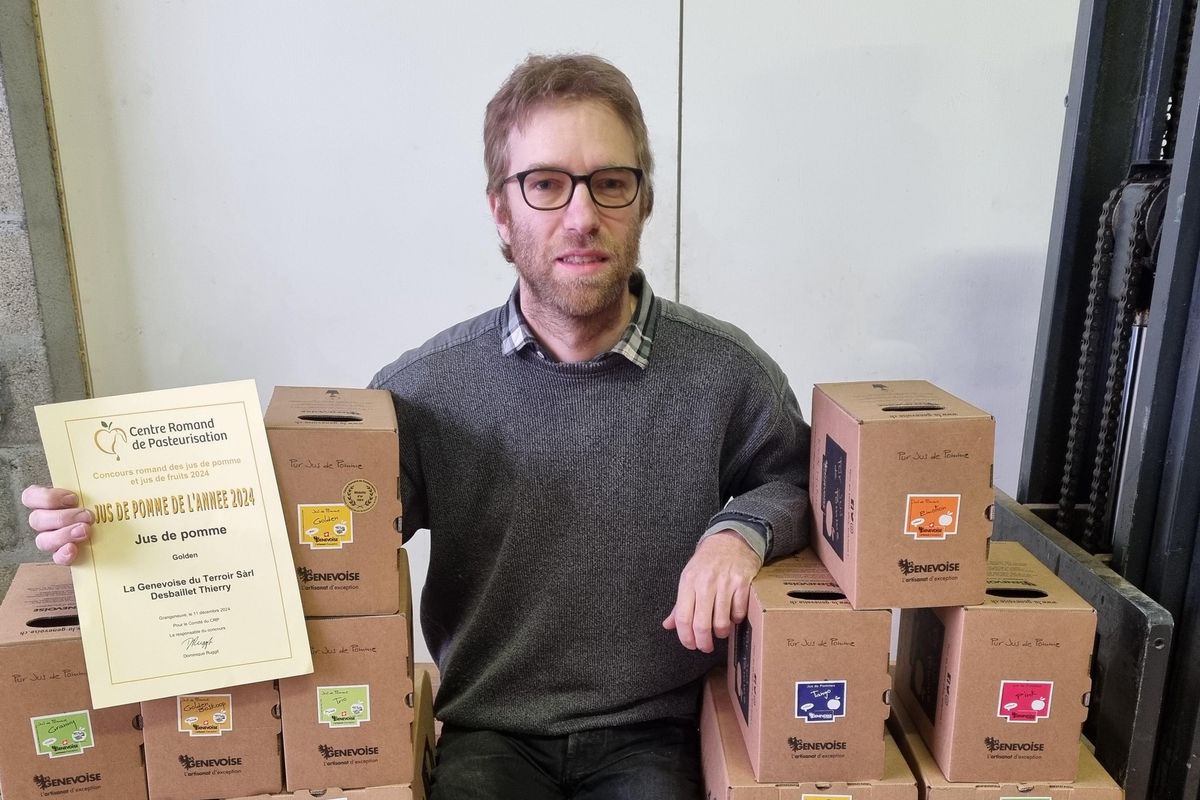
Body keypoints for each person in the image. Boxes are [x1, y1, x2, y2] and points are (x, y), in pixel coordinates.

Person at [24, 53, 810, 799]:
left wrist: (739, 532)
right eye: (545, 185)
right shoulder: (425, 390)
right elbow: (300, 528)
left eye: (609, 183)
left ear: (643, 201)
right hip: (489, 728)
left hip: (654, 726)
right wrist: (122, 528)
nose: (582, 215)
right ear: (501, 212)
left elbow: (802, 481)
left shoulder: (725, 372)